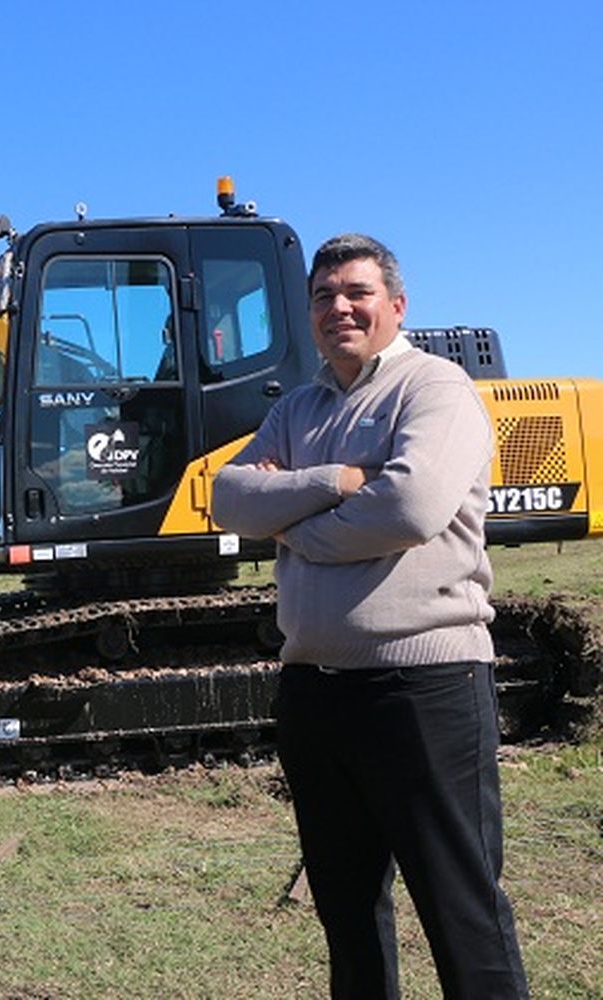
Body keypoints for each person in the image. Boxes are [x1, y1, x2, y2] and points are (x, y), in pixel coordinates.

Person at [211, 234, 528, 998]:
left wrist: (291, 521)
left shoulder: (435, 389)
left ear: (395, 304)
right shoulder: (299, 407)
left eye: (355, 292)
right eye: (323, 297)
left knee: (462, 910)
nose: (338, 309)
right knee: (347, 916)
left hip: (423, 689)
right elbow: (227, 498)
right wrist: (340, 480)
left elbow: (411, 507)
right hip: (315, 696)